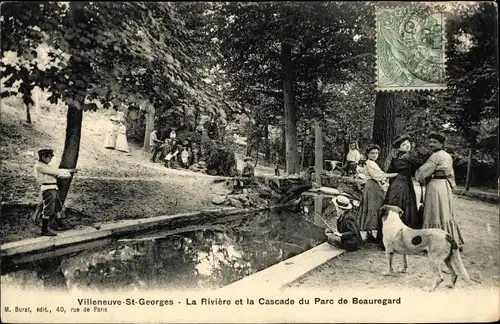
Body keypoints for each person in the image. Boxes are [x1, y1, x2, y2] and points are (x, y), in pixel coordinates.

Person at [415, 132, 465, 249]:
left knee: (434, 211)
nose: (431, 144)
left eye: (435, 142)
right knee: (444, 211)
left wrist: (420, 178)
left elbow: (423, 172)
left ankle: (433, 242)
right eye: (430, 141)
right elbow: (450, 174)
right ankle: (449, 239)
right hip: (445, 186)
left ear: (441, 144)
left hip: (436, 186)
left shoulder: (435, 156)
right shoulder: (447, 155)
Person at [376, 135, 422, 248]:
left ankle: (389, 239)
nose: (407, 145)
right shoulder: (410, 158)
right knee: (405, 208)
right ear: (398, 148)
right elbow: (422, 168)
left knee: (393, 208)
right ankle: (405, 240)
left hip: (395, 185)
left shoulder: (395, 159)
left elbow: (390, 172)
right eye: (404, 144)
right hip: (404, 185)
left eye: (408, 143)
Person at [356, 145, 398, 242]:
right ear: (367, 154)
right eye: (372, 153)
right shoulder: (369, 163)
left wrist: (383, 185)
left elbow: (378, 176)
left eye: (376, 153)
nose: (375, 155)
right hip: (371, 187)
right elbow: (379, 176)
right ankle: (369, 232)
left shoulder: (373, 163)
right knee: (373, 207)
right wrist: (396, 174)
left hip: (373, 185)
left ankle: (371, 232)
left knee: (373, 207)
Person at [34, 149, 77, 236]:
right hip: (48, 188)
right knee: (48, 208)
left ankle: (59, 223)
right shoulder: (39, 166)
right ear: (43, 157)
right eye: (49, 157)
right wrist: (69, 171)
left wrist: (67, 172)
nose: (50, 159)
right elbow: (55, 172)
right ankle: (44, 230)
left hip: (53, 187)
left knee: (58, 206)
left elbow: (57, 172)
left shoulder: (45, 165)